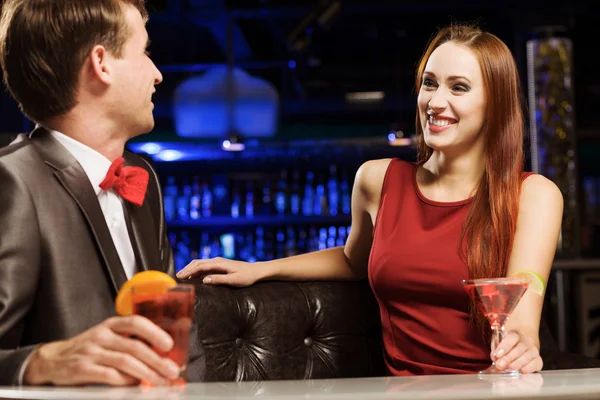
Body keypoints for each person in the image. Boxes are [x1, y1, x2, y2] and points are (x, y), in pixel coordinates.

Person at [178, 24, 564, 376]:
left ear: (495, 104)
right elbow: (353, 260)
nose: (435, 101)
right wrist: (259, 269)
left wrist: (522, 346)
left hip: (490, 387)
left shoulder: (534, 195)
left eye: (458, 87)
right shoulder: (376, 180)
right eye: (429, 83)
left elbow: (524, 305)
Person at [0, 0, 204, 386]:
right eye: (144, 52)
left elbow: (181, 340)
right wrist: (41, 363)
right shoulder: (13, 180)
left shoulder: (142, 176)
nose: (158, 74)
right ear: (101, 63)